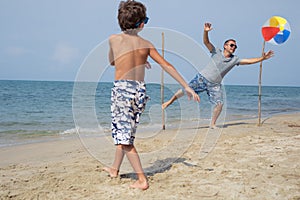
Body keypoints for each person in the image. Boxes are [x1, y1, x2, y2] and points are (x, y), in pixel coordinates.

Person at [102, 0, 200, 190]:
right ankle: (115, 169)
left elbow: (112, 61)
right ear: (141, 24)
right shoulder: (146, 44)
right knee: (125, 132)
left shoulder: (113, 39)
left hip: (122, 90)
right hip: (139, 91)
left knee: (125, 137)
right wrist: (186, 86)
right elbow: (167, 65)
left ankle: (142, 180)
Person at [162, 22, 274, 129]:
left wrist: (262, 58)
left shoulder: (235, 60)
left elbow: (249, 61)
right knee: (185, 90)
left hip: (215, 85)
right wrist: (206, 32)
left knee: (219, 104)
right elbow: (206, 42)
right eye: (231, 45)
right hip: (202, 78)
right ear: (225, 46)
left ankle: (212, 124)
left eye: (235, 46)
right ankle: (169, 102)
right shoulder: (216, 51)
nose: (233, 47)